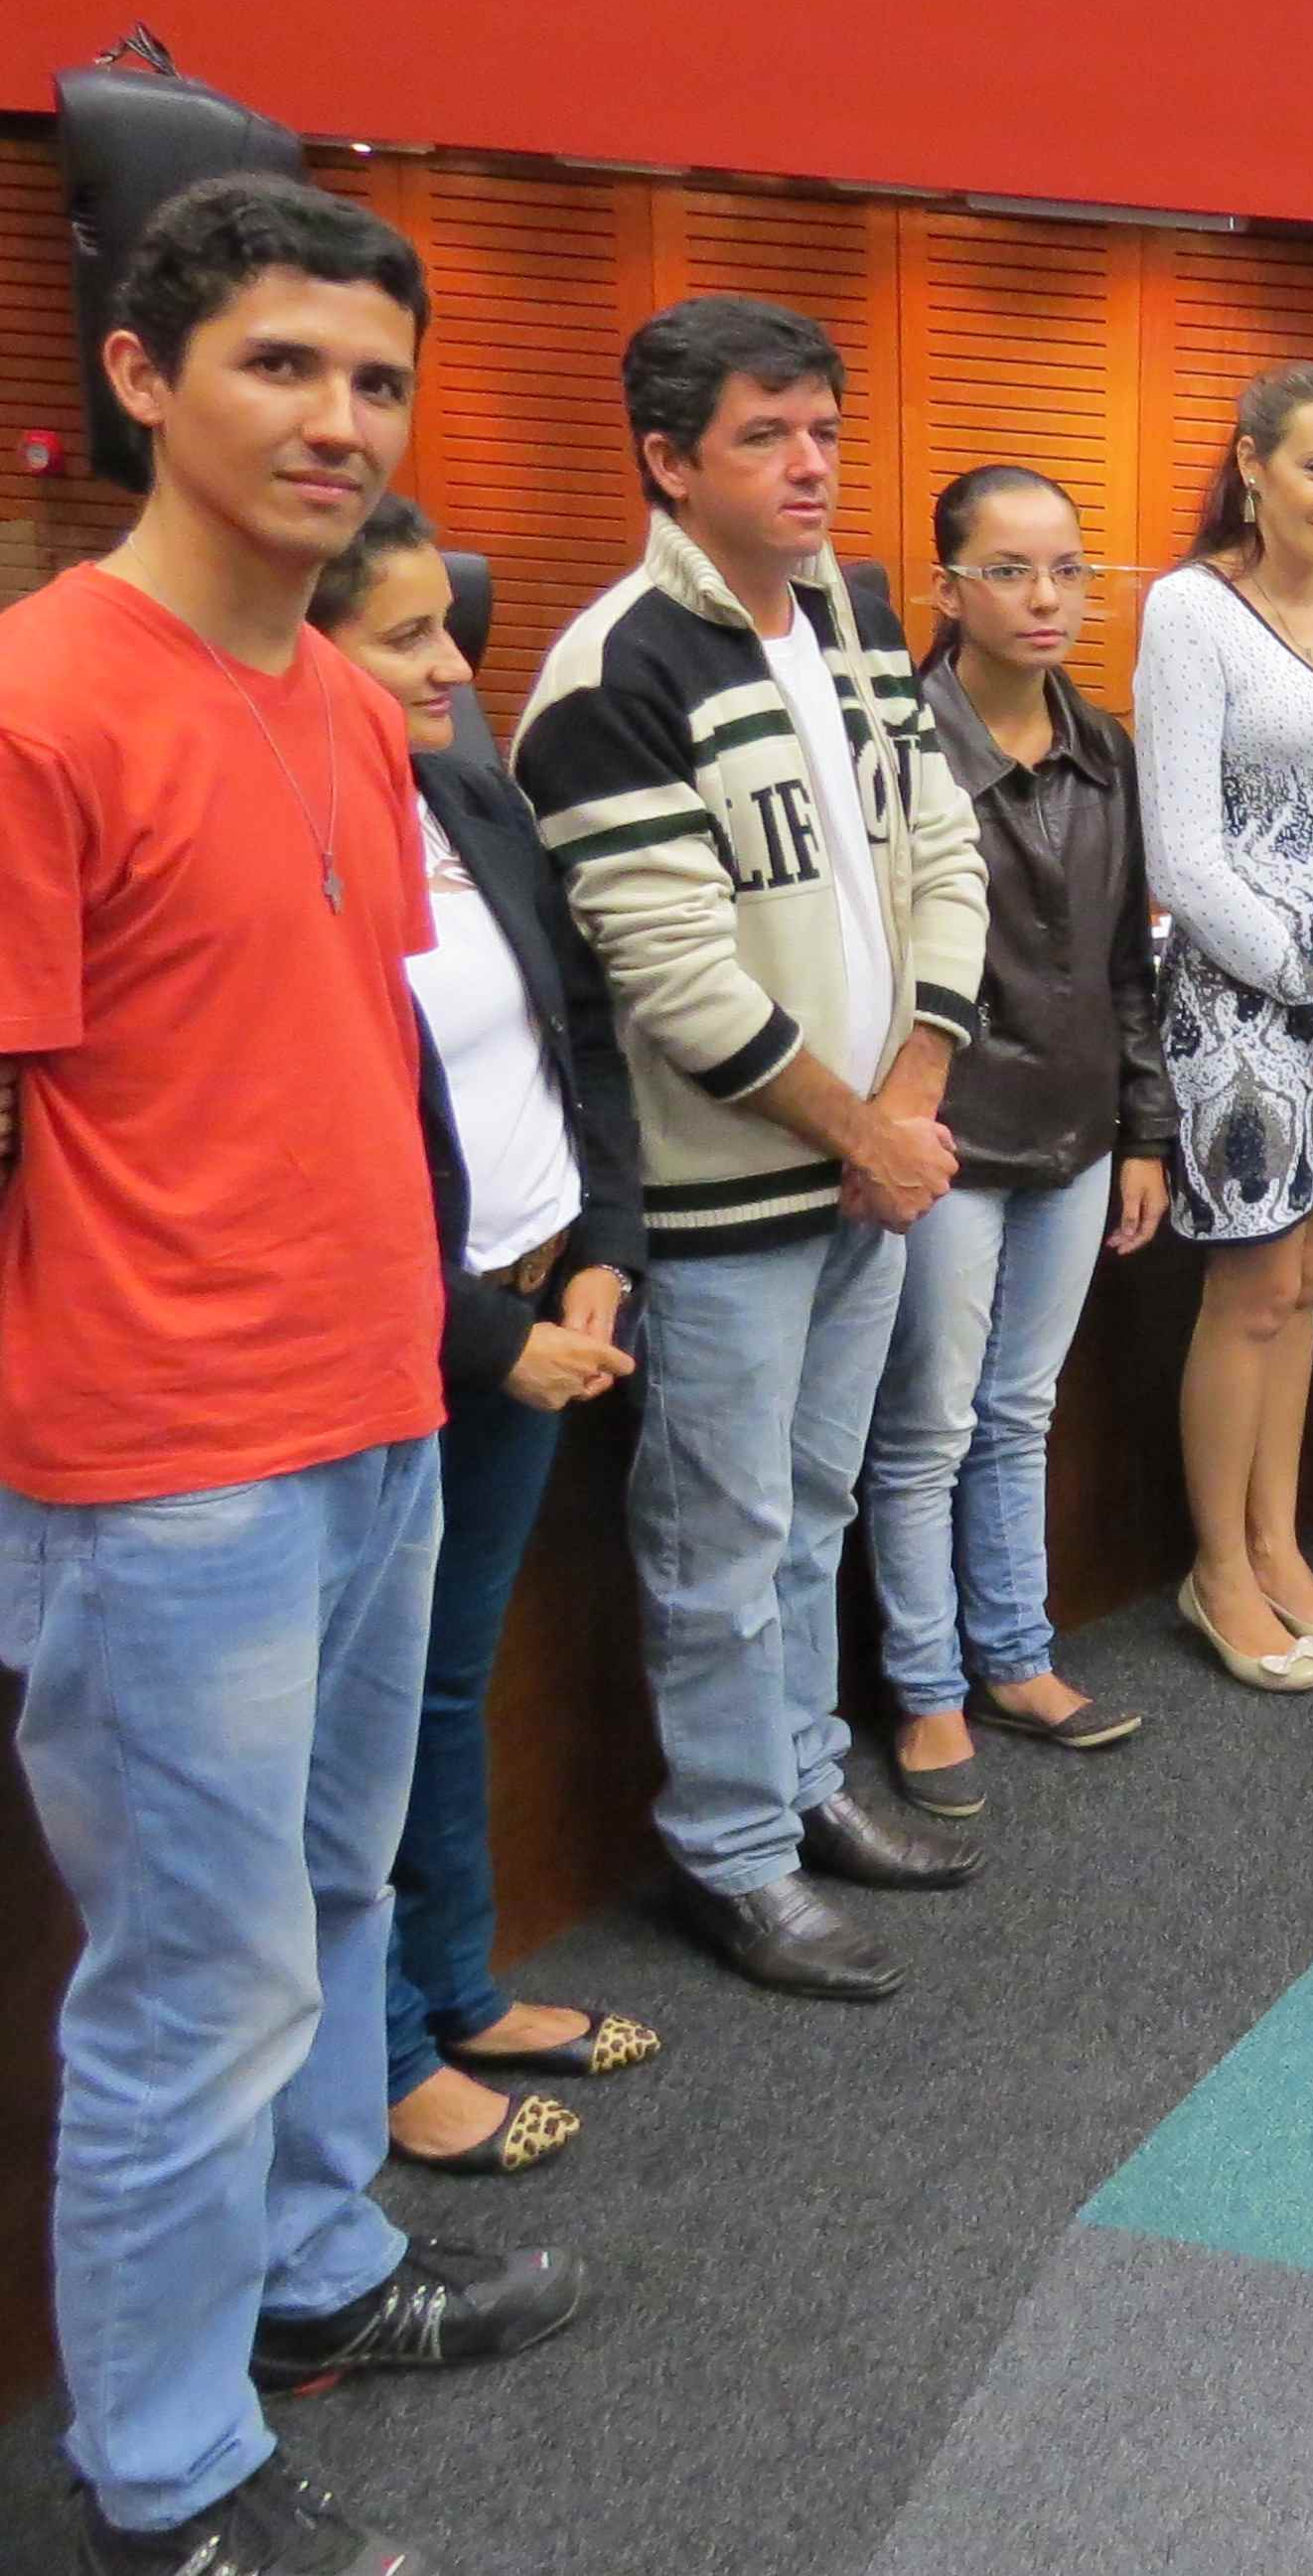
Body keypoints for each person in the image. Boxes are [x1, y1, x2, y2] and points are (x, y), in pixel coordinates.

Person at [0, 174, 584, 2576]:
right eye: (279, 365)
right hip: (165, 1474)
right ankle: (161, 2477)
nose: (339, 418)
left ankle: (320, 2271)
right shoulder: (40, 702)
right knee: (189, 1987)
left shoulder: (352, 701)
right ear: (142, 377)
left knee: (340, 1890)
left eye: (374, 380)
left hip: (380, 1416)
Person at [518, 295, 993, 1996]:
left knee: (811, 1509)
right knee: (715, 1547)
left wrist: (910, 1100)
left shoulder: (854, 619)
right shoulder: (613, 675)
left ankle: (803, 1781)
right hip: (727, 1206)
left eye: (824, 433)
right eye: (765, 437)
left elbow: (944, 854)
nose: (811, 466)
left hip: (873, 1172)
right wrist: (868, 1130)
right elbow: (674, 977)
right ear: (668, 461)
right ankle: (731, 1854)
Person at [309, 500, 656, 2183]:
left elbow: (575, 1030)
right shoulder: (289, 831)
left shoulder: (464, 789)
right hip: (405, 1340)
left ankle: (457, 1989)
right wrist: (481, 1335)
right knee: (353, 1728)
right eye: (407, 636)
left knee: (446, 1685)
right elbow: (303, 1153)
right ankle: (381, 2056)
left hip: (533, 1301)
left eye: (449, 625)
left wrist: (601, 1252)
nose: (455, 661)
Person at [862, 469, 1171, 1801]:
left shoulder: (1105, 748)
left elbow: (1127, 965)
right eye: (1009, 570)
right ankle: (926, 1689)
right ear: (945, 588)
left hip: (1077, 1129)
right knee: (927, 1424)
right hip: (946, 1136)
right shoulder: (898, 746)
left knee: (1019, 1411)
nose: (1046, 597)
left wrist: (1145, 1128)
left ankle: (1016, 1656)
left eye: (1069, 570)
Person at [1132, 365, 1313, 1692]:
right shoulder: (1190, 611)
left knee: (1307, 1285)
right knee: (1250, 1293)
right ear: (1251, 465)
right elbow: (1185, 862)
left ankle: (1276, 1543)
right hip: (1244, 1005)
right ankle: (1218, 1571)